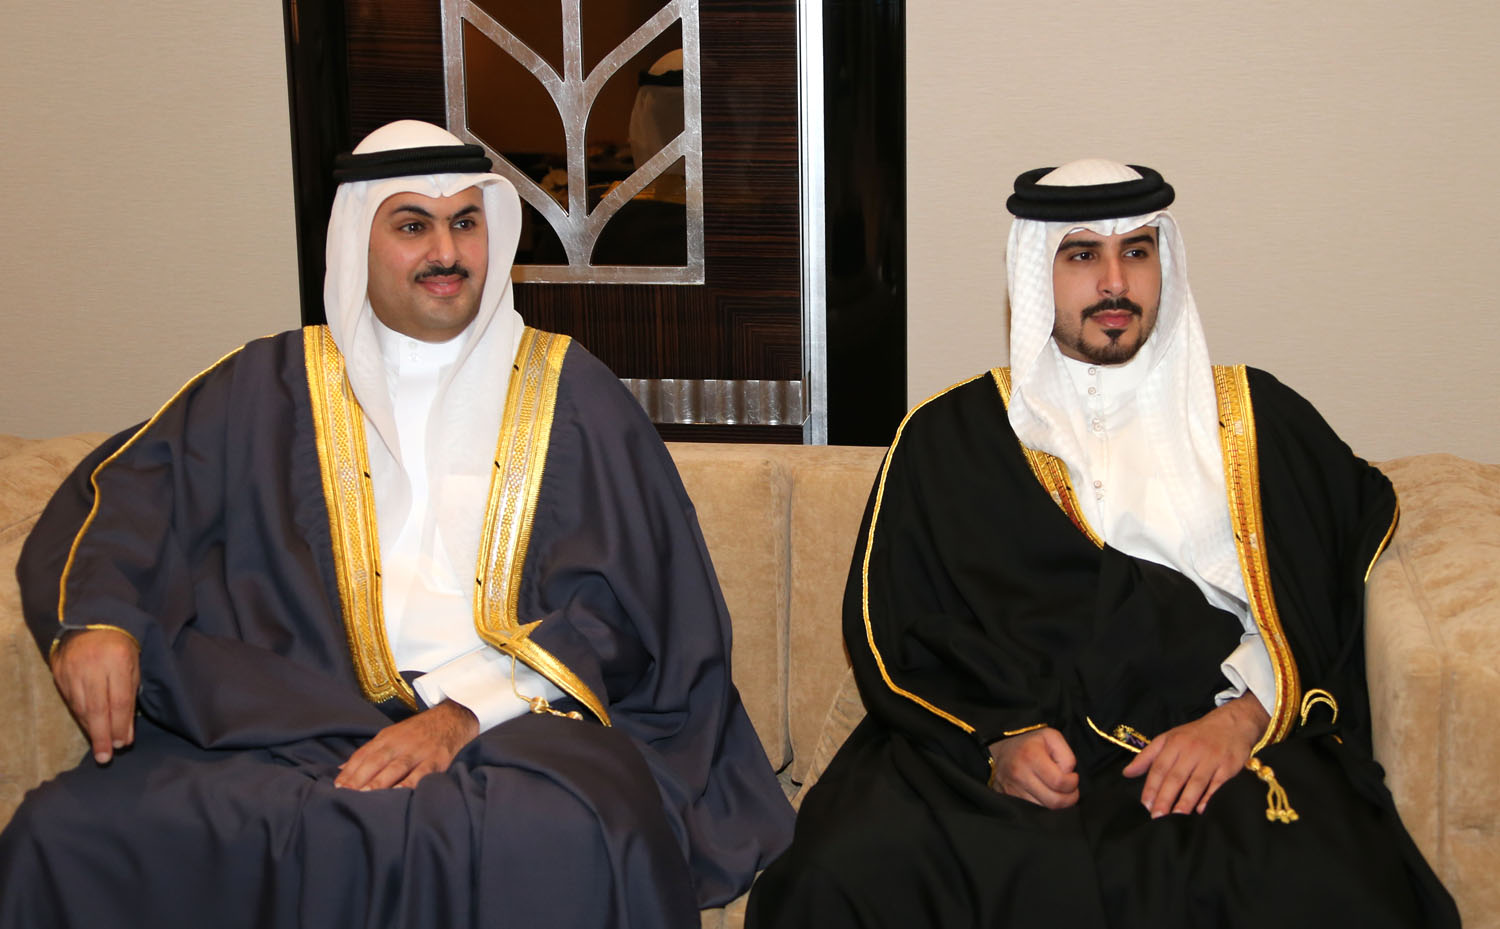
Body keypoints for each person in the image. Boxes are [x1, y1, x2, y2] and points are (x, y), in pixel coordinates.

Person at [0, 119, 793, 929]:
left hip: (520, 724)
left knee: (557, 832)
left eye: (465, 223)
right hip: (297, 713)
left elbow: (630, 612)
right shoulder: (264, 388)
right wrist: (100, 620)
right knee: (72, 831)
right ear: (358, 242)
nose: (446, 252)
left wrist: (457, 714)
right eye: (413, 226)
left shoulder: (572, 394)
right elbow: (128, 498)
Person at [745, 159, 1458, 928]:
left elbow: (1327, 576)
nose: (1115, 282)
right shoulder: (950, 436)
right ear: (1034, 272)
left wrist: (1244, 716)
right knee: (842, 871)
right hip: (1015, 731)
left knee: (1327, 884)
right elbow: (900, 628)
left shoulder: (1255, 419)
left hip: (1199, 725)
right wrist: (997, 740)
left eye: (1137, 252)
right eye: (1082, 254)